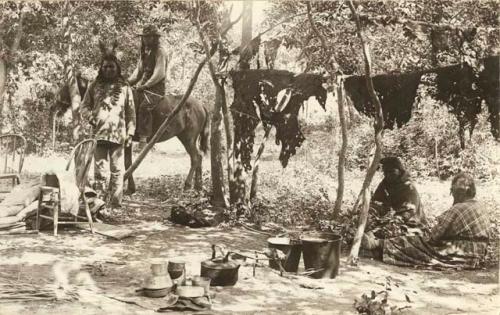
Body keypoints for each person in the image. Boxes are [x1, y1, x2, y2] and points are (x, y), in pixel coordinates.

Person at [362, 172, 491, 269]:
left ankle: (378, 245)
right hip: (478, 256)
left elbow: (434, 237)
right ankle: (379, 246)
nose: (453, 195)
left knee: (417, 243)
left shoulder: (457, 209)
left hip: (462, 253)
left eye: (454, 191)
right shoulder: (481, 206)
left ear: (459, 193)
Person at [81, 50, 136, 207]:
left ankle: (115, 203)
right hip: (99, 134)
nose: (108, 70)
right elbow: (84, 106)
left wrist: (130, 133)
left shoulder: (125, 88)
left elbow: (131, 113)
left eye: (111, 67)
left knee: (117, 170)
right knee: (100, 171)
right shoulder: (94, 85)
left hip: (118, 135)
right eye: (105, 67)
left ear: (117, 68)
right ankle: (100, 203)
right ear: (101, 68)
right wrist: (90, 116)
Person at [127, 24, 169, 149]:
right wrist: (127, 83)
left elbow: (159, 73)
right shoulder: (145, 52)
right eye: (144, 37)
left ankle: (143, 139)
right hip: (143, 87)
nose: (145, 39)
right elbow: (138, 72)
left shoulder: (160, 51)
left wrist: (145, 86)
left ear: (154, 38)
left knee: (144, 107)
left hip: (155, 89)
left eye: (148, 37)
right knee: (129, 102)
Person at [367, 157, 428, 239]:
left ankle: (376, 243)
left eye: (392, 172)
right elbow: (376, 201)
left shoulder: (408, 186)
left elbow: (408, 212)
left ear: (399, 171)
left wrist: (393, 221)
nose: (388, 175)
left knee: (385, 233)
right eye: (386, 172)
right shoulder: (386, 183)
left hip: (410, 223)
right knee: (364, 224)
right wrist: (372, 212)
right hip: (389, 219)